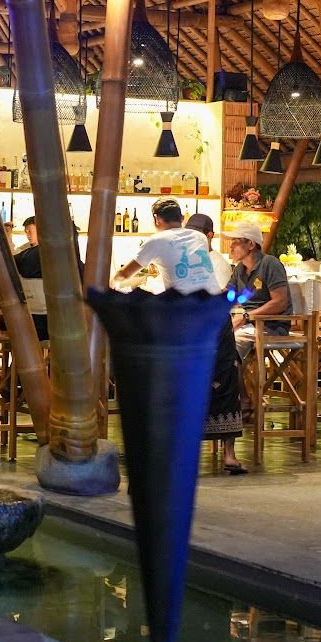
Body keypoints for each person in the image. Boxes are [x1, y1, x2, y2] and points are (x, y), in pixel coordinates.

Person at [184, 212, 246, 473]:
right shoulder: (187, 259)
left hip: (215, 330)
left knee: (224, 386)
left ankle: (229, 454)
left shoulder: (217, 262)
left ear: (209, 236)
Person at [114, 199, 224, 294]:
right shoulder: (200, 237)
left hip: (187, 307)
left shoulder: (157, 240)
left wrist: (111, 285)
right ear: (182, 218)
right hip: (216, 304)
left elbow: (124, 274)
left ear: (156, 219)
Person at [225, 223, 291, 360]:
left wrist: (246, 317)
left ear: (250, 244)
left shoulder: (270, 264)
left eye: (235, 242)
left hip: (271, 327)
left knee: (230, 341)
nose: (231, 247)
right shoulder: (239, 269)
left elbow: (280, 303)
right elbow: (227, 295)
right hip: (248, 325)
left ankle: (228, 371)